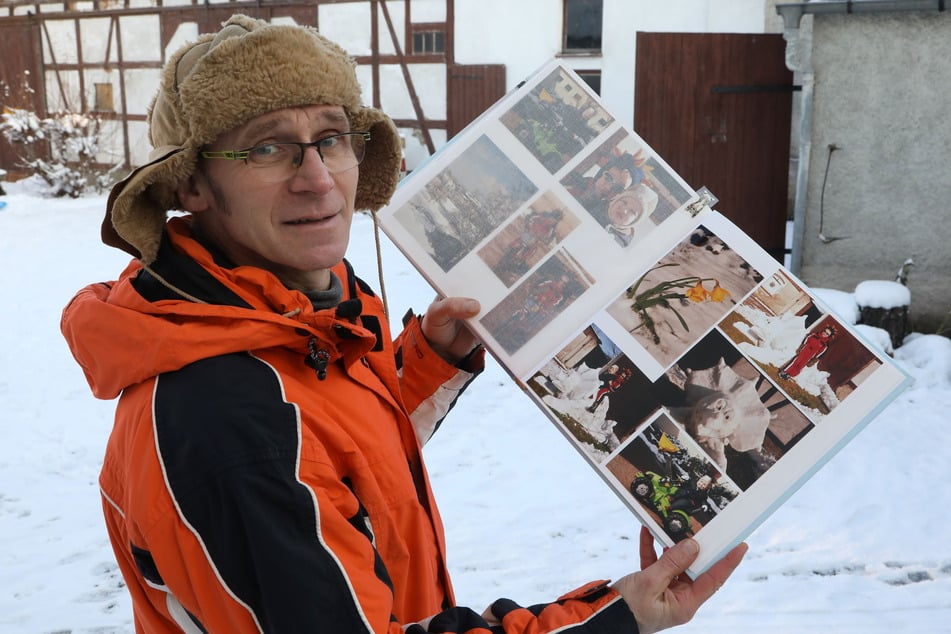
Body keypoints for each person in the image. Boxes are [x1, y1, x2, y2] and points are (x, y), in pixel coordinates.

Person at [60, 15, 746, 634]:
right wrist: (606, 621)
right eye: (268, 149)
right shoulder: (228, 424)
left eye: (331, 137)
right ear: (190, 186)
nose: (318, 177)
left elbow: (327, 446)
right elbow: (286, 448)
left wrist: (427, 363)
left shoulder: (284, 326)